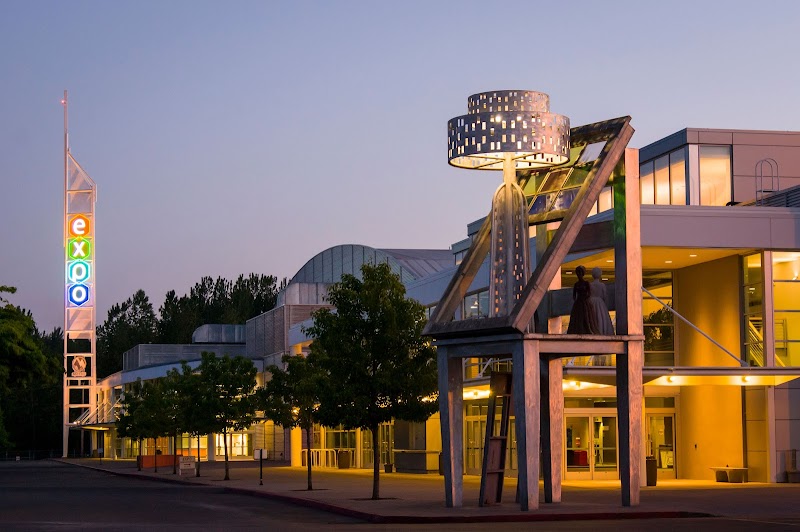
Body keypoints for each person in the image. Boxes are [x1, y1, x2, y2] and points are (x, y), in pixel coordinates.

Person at [567, 265, 597, 334]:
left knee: (586, 316)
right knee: (578, 317)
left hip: (585, 302)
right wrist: (577, 300)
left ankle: (588, 329)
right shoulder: (576, 284)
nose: (578, 274)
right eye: (577, 273)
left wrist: (585, 298)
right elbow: (574, 295)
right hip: (579, 302)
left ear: (582, 273)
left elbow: (589, 293)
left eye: (580, 272)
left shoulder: (586, 283)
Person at [588, 267, 615, 335]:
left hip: (591, 303)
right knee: (600, 319)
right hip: (600, 303)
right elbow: (604, 296)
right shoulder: (602, 285)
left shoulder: (590, 285)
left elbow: (588, 294)